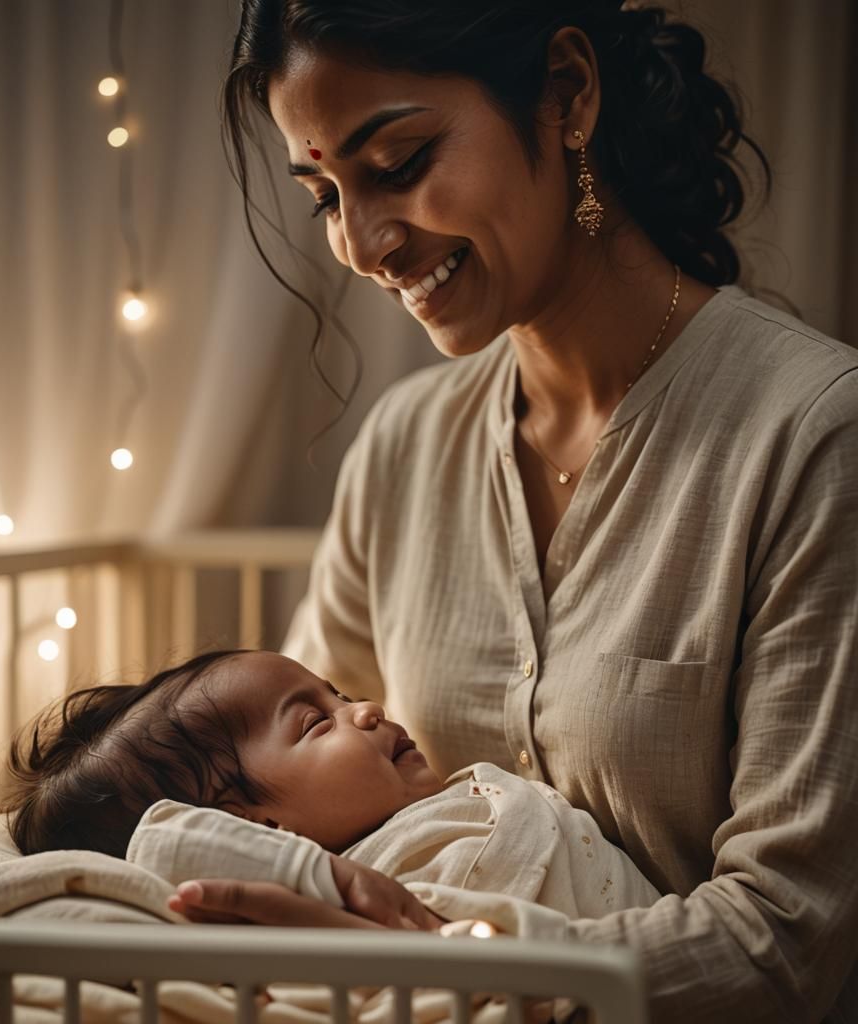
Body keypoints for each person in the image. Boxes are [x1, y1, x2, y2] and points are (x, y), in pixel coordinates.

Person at [177, 2, 858, 1022]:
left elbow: (785, 939)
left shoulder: (810, 435)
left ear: (567, 95)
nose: (363, 245)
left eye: (398, 161)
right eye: (324, 193)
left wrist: (453, 961)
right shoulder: (403, 449)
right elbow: (289, 812)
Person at [0, 649, 660, 925]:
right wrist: (322, 879)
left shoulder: (420, 815)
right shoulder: (362, 894)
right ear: (258, 829)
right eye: (319, 721)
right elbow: (165, 844)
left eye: (338, 694)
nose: (366, 707)